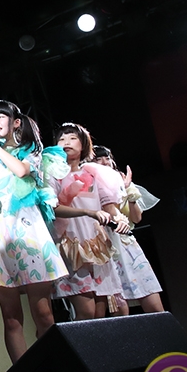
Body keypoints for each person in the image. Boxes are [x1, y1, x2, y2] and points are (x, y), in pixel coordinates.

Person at [0, 102, 112, 363]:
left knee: (44, 314)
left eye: (1, 116)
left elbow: (21, 171)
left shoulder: (30, 152)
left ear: (16, 122)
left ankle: (54, 368)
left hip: (29, 237)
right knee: (11, 318)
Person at [52, 123, 129, 320]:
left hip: (96, 246)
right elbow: (52, 208)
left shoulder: (95, 174)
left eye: (72, 138)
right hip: (70, 245)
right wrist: (88, 212)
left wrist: (120, 219)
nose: (66, 142)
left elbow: (110, 208)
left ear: (83, 144)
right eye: (61, 139)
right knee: (85, 312)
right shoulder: (52, 175)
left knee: (98, 313)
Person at [92, 145, 165, 314]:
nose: (105, 162)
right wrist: (119, 190)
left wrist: (129, 192)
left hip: (127, 242)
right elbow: (108, 214)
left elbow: (136, 218)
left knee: (151, 297)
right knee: (119, 306)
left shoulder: (123, 183)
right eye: (98, 159)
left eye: (107, 158)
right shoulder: (91, 184)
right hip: (106, 243)